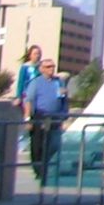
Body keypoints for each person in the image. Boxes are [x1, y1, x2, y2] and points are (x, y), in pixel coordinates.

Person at [21, 55, 69, 185]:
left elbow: (64, 100)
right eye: (48, 67)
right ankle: (38, 169)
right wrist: (28, 119)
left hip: (55, 117)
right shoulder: (36, 82)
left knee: (53, 144)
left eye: (53, 67)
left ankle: (44, 166)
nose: (51, 69)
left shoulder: (58, 82)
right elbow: (28, 100)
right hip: (40, 116)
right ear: (41, 69)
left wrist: (64, 116)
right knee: (37, 145)